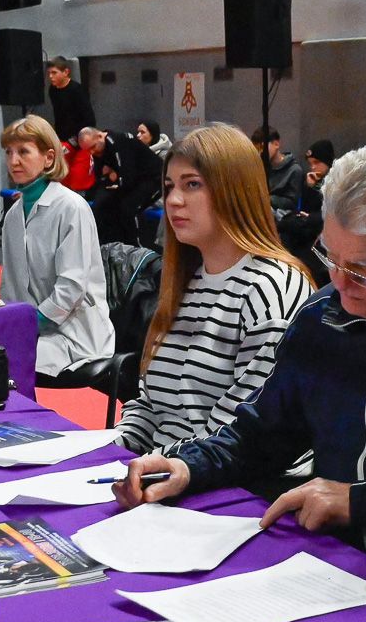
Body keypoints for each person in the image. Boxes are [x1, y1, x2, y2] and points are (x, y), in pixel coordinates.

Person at [113, 144, 366, 558]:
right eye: (330, 258)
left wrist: (360, 501)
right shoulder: (321, 316)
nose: (341, 284)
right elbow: (263, 432)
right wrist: (191, 466)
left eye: (365, 269)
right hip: (332, 560)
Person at [114, 123, 314, 453]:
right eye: (169, 186)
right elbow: (150, 406)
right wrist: (109, 449)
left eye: (192, 185)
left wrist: (151, 466)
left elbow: (236, 433)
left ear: (234, 192)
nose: (173, 200)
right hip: (167, 473)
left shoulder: (271, 288)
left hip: (221, 486)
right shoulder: (185, 280)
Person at [0, 116, 114, 377]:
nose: (13, 161)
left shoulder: (71, 208)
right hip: (33, 332)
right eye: (9, 152)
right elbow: (10, 285)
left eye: (23, 152)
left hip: (75, 336)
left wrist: (29, 327)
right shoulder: (14, 215)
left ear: (49, 158)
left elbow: (71, 286)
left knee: (7, 366)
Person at [78, 126, 163, 245]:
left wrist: (115, 176)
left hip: (154, 178)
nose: (92, 152)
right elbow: (101, 178)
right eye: (88, 151)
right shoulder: (98, 151)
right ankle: (108, 245)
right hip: (135, 181)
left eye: (93, 147)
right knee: (102, 205)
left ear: (100, 136)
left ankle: (140, 246)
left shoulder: (118, 141)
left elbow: (127, 176)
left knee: (128, 207)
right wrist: (112, 178)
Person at [252, 126, 302, 216]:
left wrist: (265, 198)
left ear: (276, 144)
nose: (259, 153)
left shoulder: (294, 170)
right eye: (256, 149)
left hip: (282, 219)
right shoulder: (260, 167)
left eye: (263, 147)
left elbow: (291, 202)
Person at [46, 56, 96, 149]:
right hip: (62, 138)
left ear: (65, 72)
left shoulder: (76, 90)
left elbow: (89, 119)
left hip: (78, 139)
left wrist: (75, 140)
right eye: (49, 73)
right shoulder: (53, 90)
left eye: (54, 73)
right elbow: (59, 115)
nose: (51, 76)